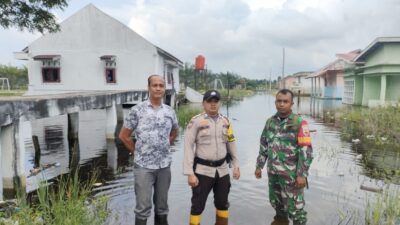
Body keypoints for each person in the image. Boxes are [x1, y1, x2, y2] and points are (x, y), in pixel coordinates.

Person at [119, 75, 179, 225]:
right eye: (155, 85)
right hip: (143, 167)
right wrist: (136, 151)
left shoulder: (170, 111)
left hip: (164, 166)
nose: (158, 88)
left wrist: (165, 145)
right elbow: (124, 136)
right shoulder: (137, 110)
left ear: (164, 89)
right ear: (149, 88)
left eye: (161, 85)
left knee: (162, 207)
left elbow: (174, 132)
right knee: (143, 208)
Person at [254, 89, 313, 225]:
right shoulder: (270, 122)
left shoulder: (299, 123)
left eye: (285, 101)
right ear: (275, 103)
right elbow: (264, 145)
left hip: (291, 176)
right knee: (277, 204)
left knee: (296, 210)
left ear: (291, 103)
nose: (281, 104)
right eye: (279, 101)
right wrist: (259, 166)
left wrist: (302, 175)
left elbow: (306, 152)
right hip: (273, 173)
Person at [183, 90, 240, 225]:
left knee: (223, 203)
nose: (213, 104)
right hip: (202, 171)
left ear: (220, 103)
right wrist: (189, 173)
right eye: (209, 102)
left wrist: (236, 166)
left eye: (216, 102)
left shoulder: (226, 121)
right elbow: (188, 147)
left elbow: (231, 143)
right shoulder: (196, 121)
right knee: (197, 206)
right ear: (204, 104)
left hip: (223, 170)